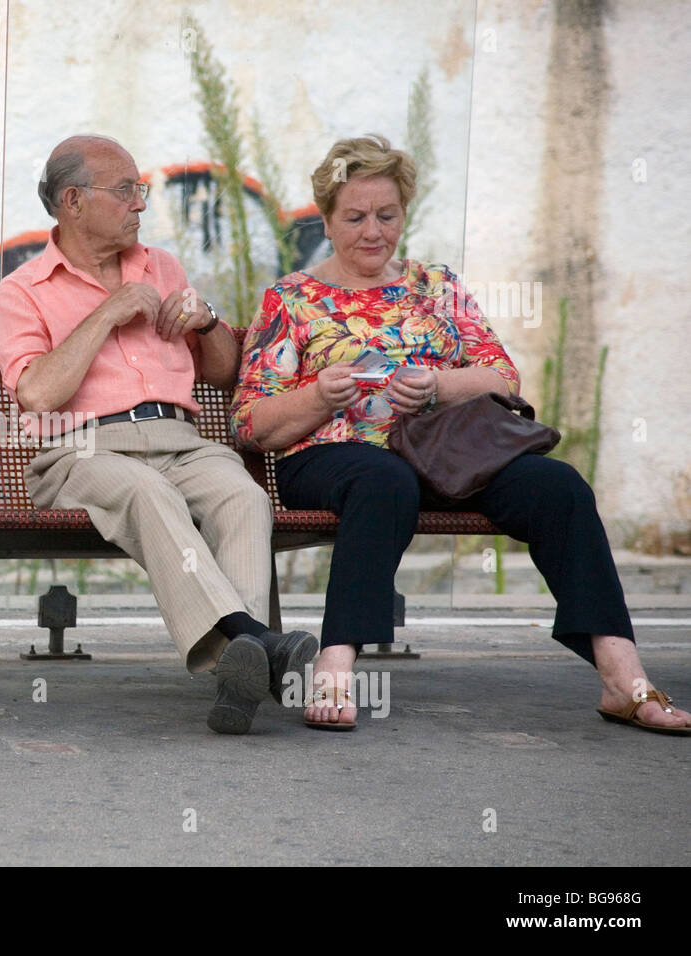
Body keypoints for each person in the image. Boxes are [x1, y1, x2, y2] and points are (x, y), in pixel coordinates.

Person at [230, 134, 689, 735]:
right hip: (333, 458)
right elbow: (249, 422)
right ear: (326, 218)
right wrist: (320, 395)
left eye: (387, 215)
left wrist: (437, 387)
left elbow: (502, 376)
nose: (373, 231)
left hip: (448, 456)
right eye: (356, 216)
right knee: (382, 478)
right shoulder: (292, 299)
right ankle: (336, 665)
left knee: (559, 486)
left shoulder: (436, 286)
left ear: (404, 213)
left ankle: (622, 678)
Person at [0, 134, 317, 735]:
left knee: (241, 495)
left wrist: (209, 319)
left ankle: (239, 676)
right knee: (149, 494)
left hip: (181, 439)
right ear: (73, 200)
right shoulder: (22, 290)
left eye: (140, 190)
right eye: (125, 191)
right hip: (81, 449)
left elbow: (221, 372)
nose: (140, 204)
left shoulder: (162, 267)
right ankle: (255, 641)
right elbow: (36, 394)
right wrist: (109, 312)